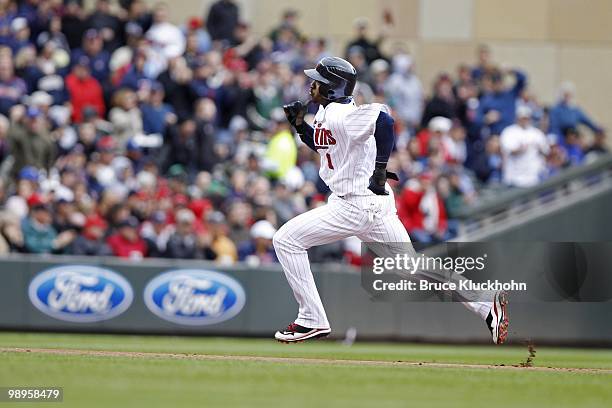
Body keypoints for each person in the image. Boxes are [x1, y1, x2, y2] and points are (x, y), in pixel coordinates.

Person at [274, 57, 508, 344]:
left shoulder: (340, 113)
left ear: (332, 88)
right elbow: (326, 146)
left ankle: (311, 319)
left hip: (353, 203)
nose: (312, 85)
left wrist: (380, 168)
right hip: (373, 205)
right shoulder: (328, 113)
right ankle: (485, 303)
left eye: (318, 81)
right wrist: (300, 127)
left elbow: (384, 119)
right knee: (410, 267)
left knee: (286, 240)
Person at [500, 106, 549, 188]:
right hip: (514, 178)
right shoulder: (509, 132)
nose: (524, 120)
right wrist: (522, 149)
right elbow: (510, 151)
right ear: (517, 118)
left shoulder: (537, 133)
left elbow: (546, 151)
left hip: (534, 177)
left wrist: (539, 149)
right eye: (522, 118)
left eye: (526, 118)